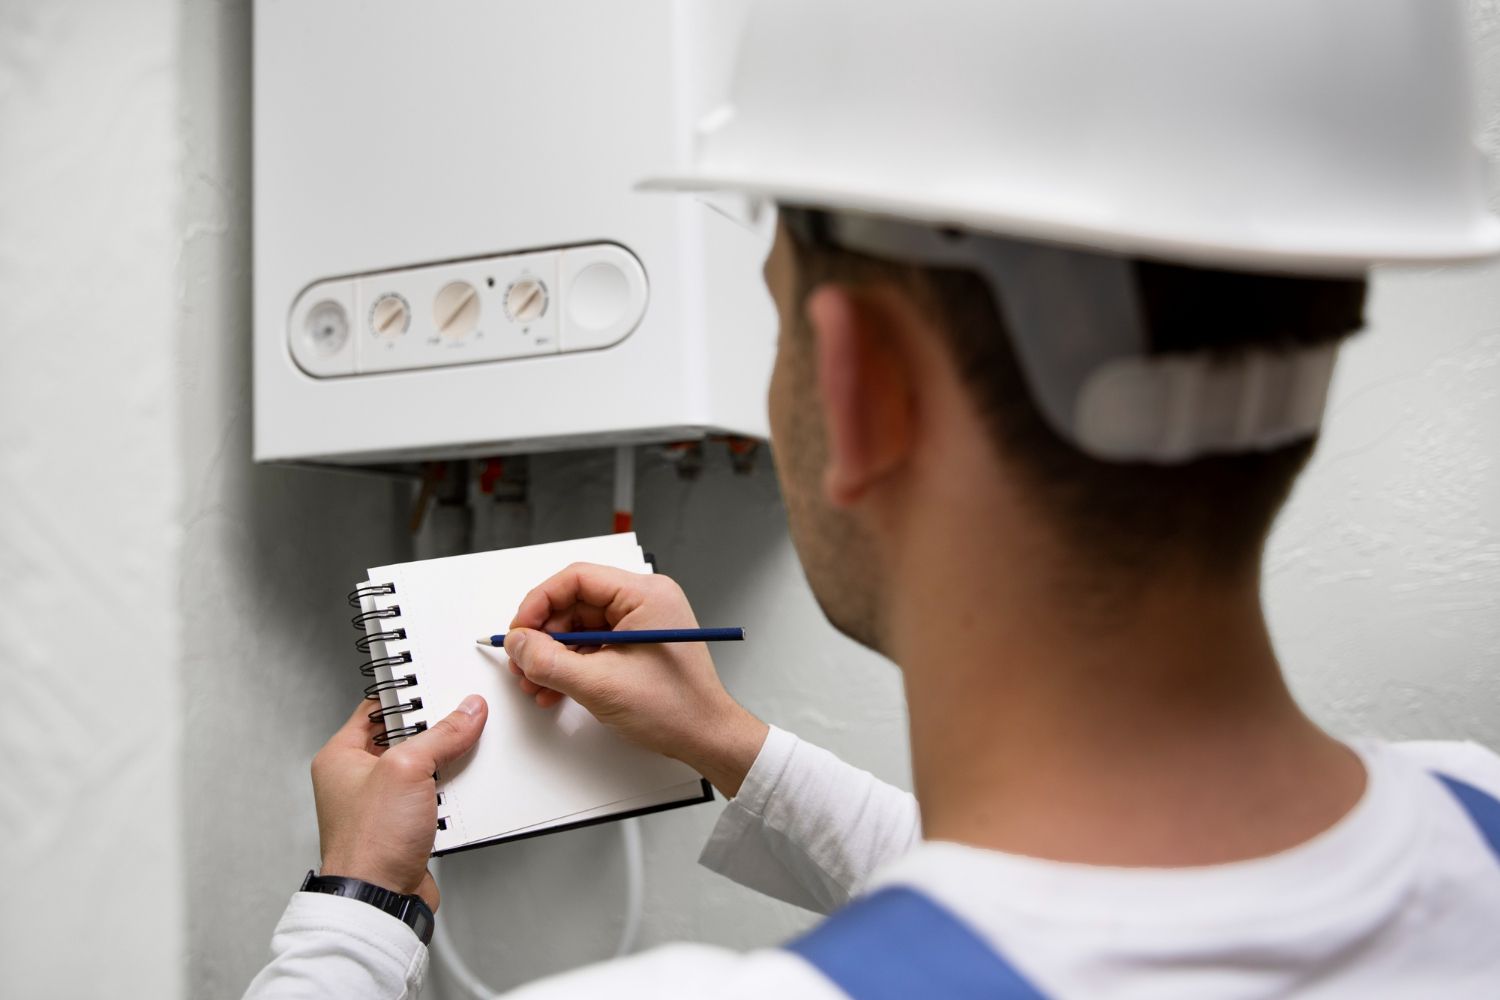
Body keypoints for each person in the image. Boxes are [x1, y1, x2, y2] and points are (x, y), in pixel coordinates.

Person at [246, 2, 1500, 996]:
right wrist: (731, 746)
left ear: (857, 382)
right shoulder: (1476, 819)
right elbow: (1096, 928)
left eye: (780, 315)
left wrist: (358, 910)